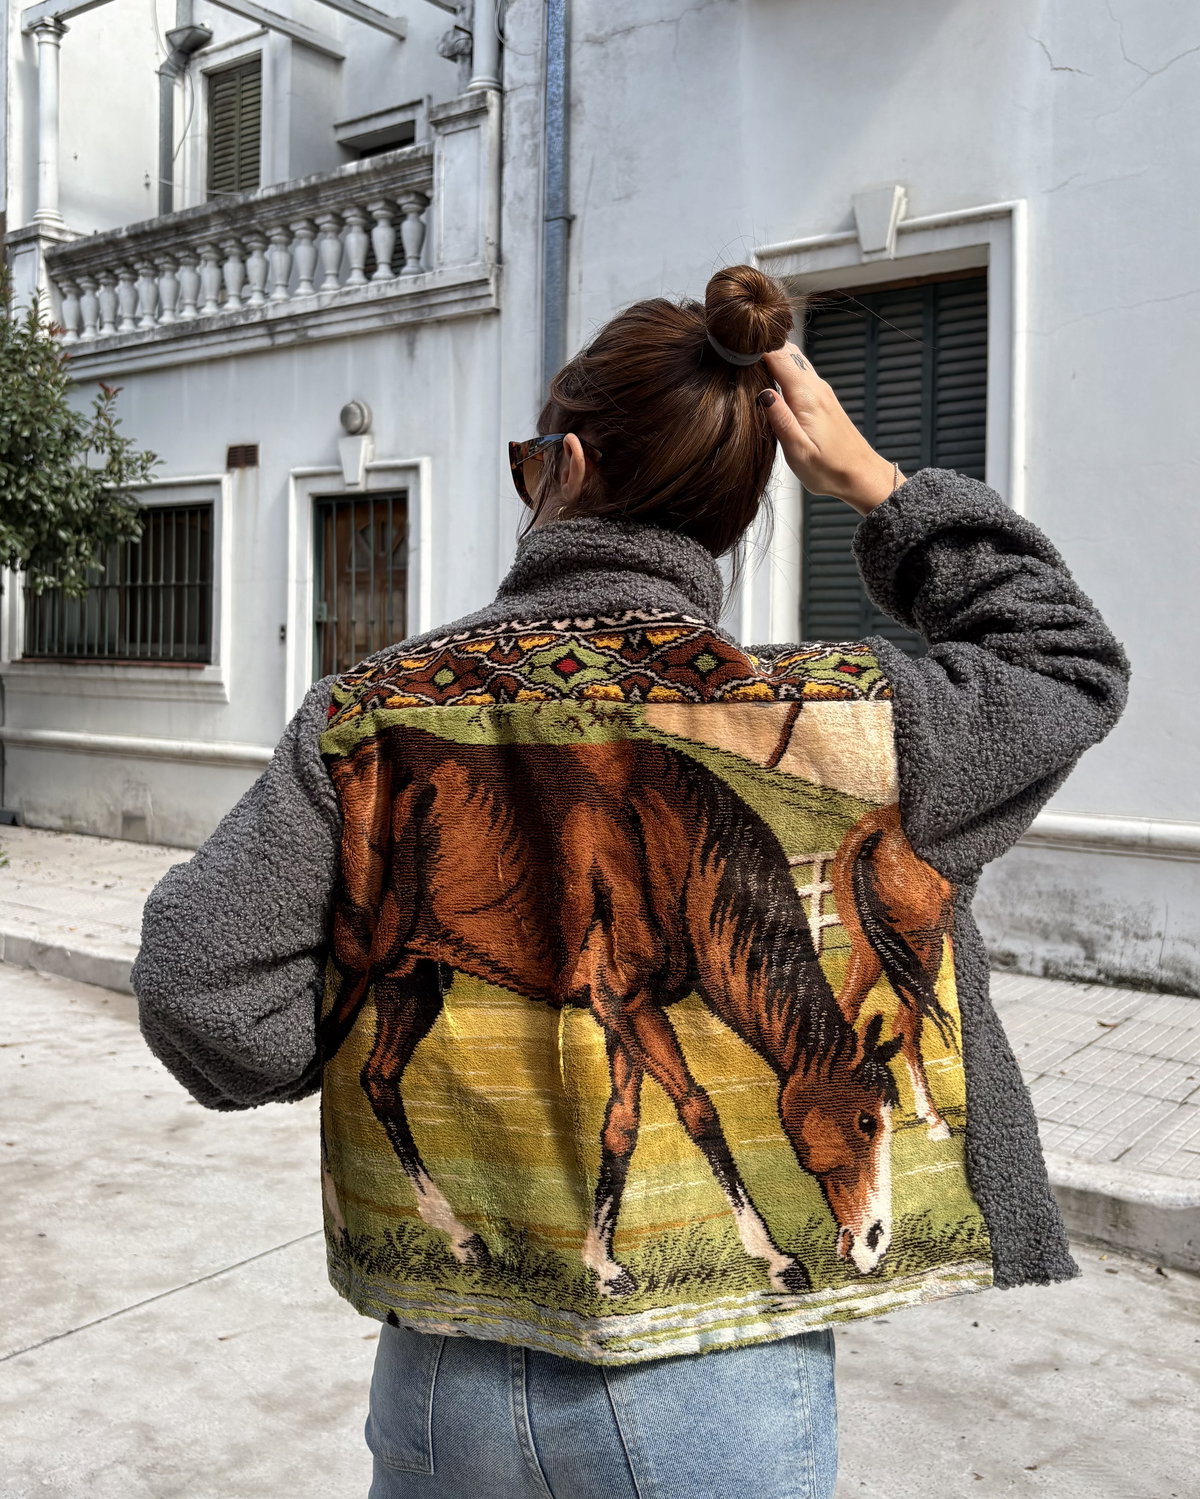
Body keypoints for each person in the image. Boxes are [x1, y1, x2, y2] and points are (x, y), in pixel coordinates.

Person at [131, 264, 1130, 1499]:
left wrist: (314, 1039)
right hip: (716, 1395)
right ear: (740, 505)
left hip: (446, 1380)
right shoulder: (857, 716)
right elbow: (1067, 661)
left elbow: (201, 983)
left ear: (563, 468)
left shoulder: (373, 712)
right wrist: (876, 484)